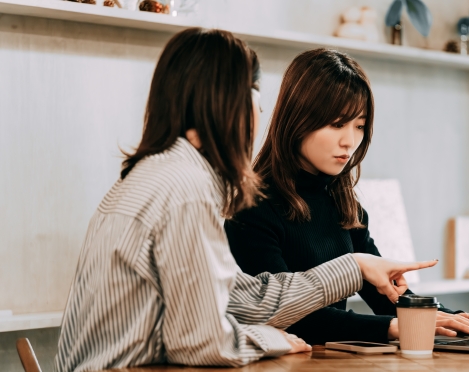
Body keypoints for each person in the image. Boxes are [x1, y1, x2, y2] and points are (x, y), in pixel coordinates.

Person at [53, 29, 437, 372]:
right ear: (228, 104)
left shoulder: (162, 176)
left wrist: (355, 266)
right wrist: (272, 339)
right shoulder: (184, 190)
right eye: (256, 100)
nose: (261, 114)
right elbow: (200, 342)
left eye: (358, 125)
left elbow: (246, 299)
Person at [225, 48, 469, 345]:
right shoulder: (250, 209)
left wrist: (455, 319)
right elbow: (283, 316)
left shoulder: (345, 206)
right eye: (337, 123)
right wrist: (391, 328)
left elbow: (388, 295)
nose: (350, 141)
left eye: (359, 125)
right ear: (298, 118)